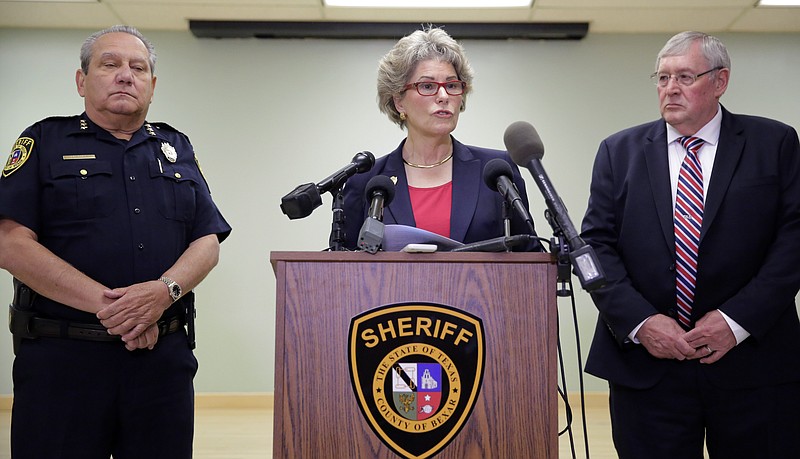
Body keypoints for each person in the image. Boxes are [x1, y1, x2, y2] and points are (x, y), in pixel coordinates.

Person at [0, 25, 231, 459]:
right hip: (62, 362)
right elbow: (11, 244)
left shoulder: (176, 147)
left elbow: (207, 240)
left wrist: (163, 294)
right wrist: (120, 311)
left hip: (161, 363)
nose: (125, 75)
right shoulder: (44, 141)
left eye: (137, 67)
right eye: (110, 64)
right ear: (81, 80)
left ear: (152, 85)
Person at [580, 31, 800, 458]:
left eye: (684, 76)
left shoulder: (773, 144)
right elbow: (595, 246)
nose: (670, 89)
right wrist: (642, 322)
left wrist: (735, 321)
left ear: (720, 81)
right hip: (647, 368)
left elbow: (793, 239)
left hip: (752, 363)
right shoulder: (618, 151)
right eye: (662, 78)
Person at [342, 27, 541, 251]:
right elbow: (346, 269)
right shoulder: (366, 181)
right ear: (399, 102)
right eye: (427, 86)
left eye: (452, 85)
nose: (444, 96)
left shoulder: (497, 172)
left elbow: (530, 257)